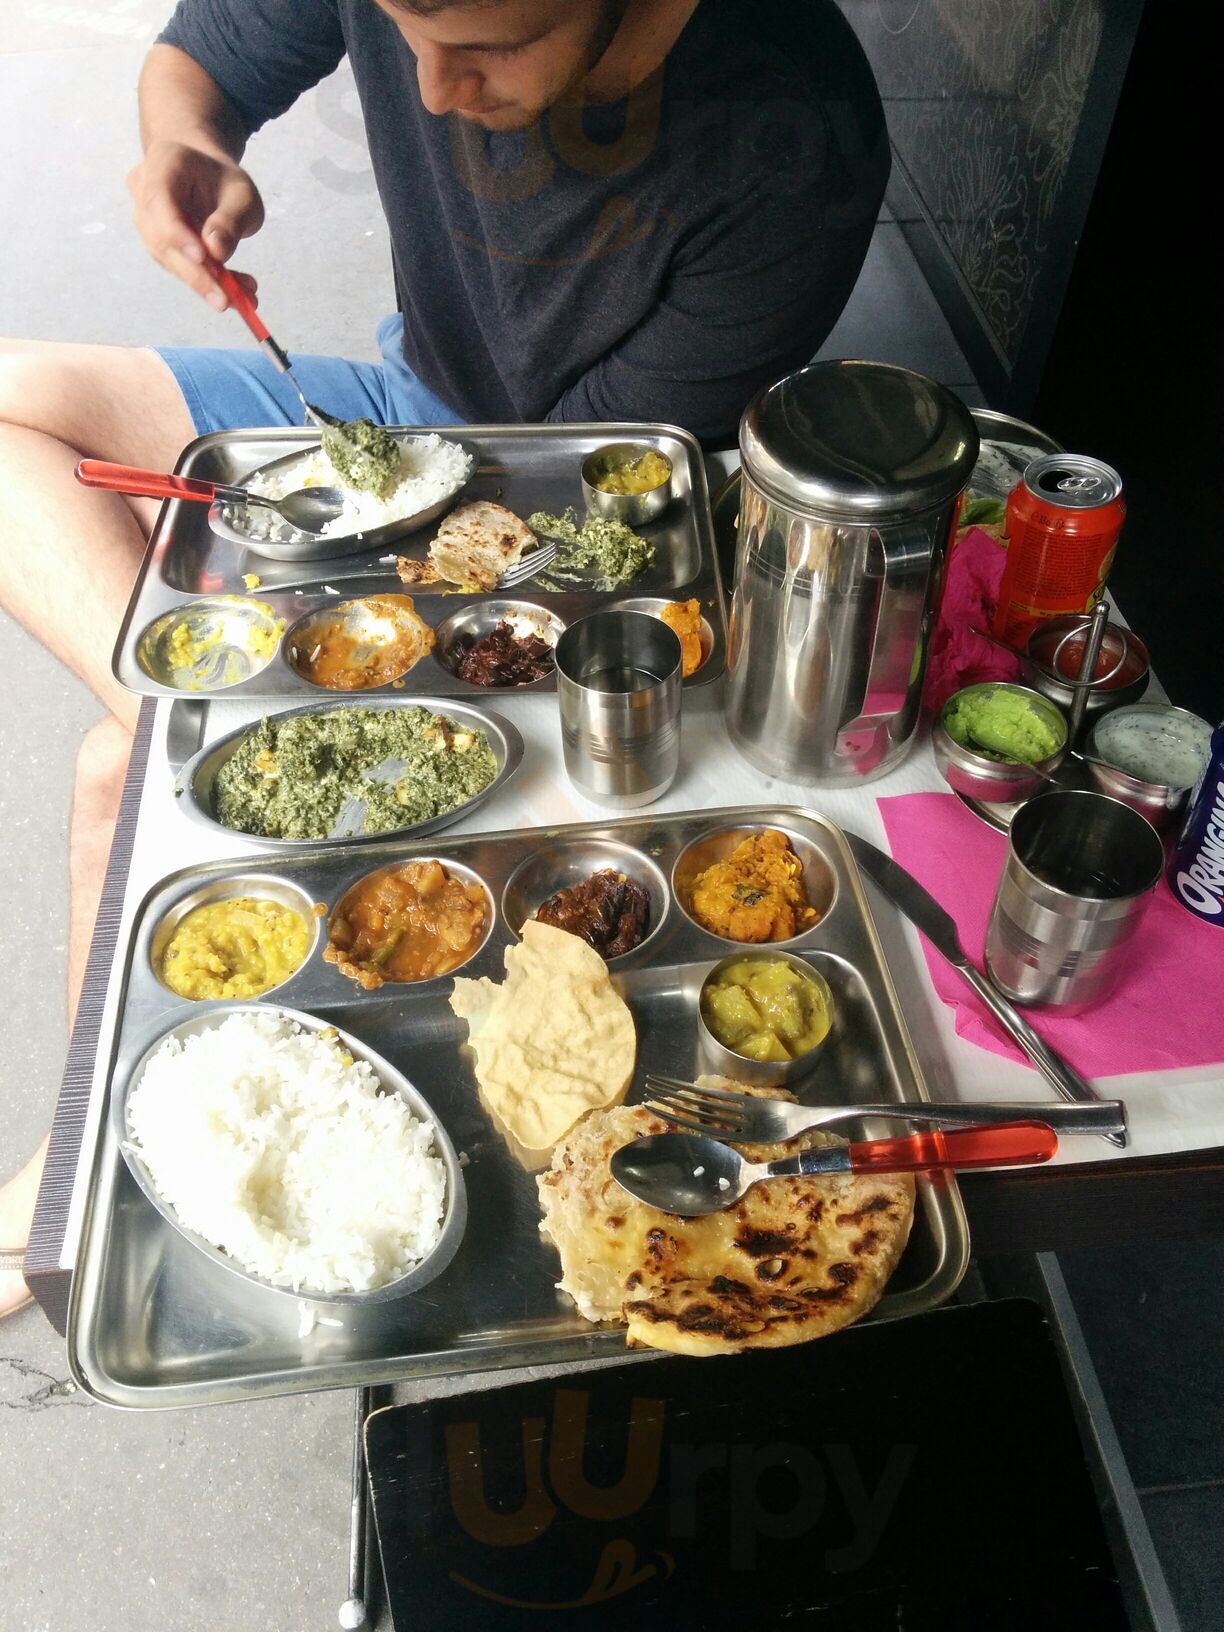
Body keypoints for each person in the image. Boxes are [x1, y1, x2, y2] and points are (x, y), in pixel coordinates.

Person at [0, 0, 888, 1317]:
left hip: (578, 508)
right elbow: (202, 58)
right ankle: (173, 737)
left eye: (488, 49)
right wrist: (184, 144)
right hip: (399, 412)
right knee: (113, 699)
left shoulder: (793, 142)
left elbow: (568, 503)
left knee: (104, 790)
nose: (426, 89)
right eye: (401, 26)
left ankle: (67, 1166)